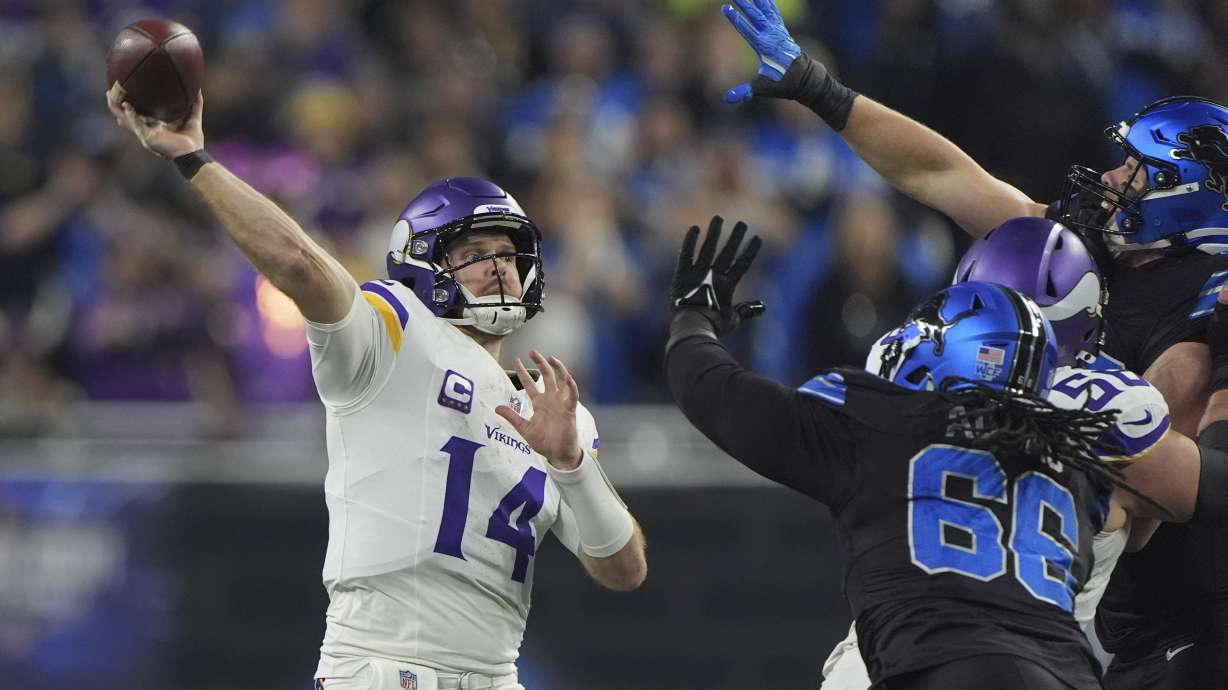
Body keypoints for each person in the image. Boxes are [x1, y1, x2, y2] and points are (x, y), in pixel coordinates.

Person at [719, 2, 1228, 684]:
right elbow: (945, 177)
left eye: (1136, 169)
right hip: (1056, 601)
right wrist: (824, 91)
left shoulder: (1201, 315)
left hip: (1176, 616)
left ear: (1184, 196)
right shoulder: (1097, 245)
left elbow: (1165, 491)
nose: (1112, 178)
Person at [105, 88, 646, 690]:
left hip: (497, 677)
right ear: (422, 262)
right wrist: (194, 159)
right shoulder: (393, 331)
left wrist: (572, 464)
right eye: (475, 252)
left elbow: (623, 569)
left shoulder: (554, 410)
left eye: (509, 253)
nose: (499, 267)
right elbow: (298, 261)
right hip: (382, 668)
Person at [664, 215, 1228, 689]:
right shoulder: (1083, 448)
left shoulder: (877, 419)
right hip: (1063, 673)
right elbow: (1201, 492)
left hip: (923, 660)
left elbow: (714, 393)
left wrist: (695, 318)